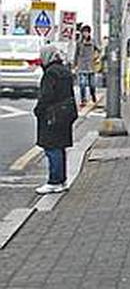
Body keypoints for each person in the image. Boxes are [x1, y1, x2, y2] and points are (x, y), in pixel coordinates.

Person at [33, 45, 77, 195]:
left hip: (52, 114)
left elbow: (47, 95)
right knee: (60, 147)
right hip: (65, 113)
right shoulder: (64, 71)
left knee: (51, 147)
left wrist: (38, 110)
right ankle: (62, 180)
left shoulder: (51, 73)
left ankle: (54, 181)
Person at [73, 25, 98, 107]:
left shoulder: (93, 41)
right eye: (84, 32)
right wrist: (75, 64)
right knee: (82, 84)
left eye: (87, 32)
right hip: (81, 65)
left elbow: (99, 50)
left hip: (91, 65)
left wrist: (96, 58)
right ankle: (83, 99)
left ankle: (93, 95)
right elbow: (76, 54)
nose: (85, 34)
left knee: (92, 84)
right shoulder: (79, 42)